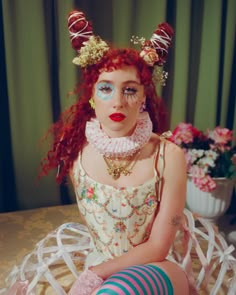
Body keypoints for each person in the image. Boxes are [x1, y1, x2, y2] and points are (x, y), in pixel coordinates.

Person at [3, 10, 236, 295]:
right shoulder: (76, 151)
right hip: (102, 264)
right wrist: (98, 270)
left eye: (129, 90)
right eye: (105, 88)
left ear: (142, 99)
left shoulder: (168, 154)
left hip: (155, 267)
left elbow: (158, 246)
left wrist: (95, 274)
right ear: (91, 96)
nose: (117, 102)